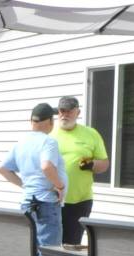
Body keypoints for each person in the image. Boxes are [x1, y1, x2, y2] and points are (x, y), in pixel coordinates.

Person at [0, 102, 67, 256]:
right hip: (46, 202)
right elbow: (46, 166)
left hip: (28, 202)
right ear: (50, 121)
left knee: (31, 248)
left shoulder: (21, 142)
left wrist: (26, 186)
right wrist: (60, 186)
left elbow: (3, 169)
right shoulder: (48, 141)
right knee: (49, 251)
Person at [51, 95, 109, 246]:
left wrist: (91, 164)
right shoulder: (50, 134)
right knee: (51, 244)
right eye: (62, 110)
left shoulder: (91, 134)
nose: (65, 114)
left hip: (80, 200)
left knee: (72, 244)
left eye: (70, 111)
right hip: (53, 199)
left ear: (78, 112)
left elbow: (104, 164)